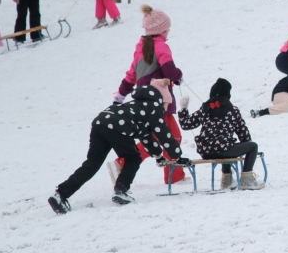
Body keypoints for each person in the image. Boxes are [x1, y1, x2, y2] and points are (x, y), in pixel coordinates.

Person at [47, 80, 193, 214]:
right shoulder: (154, 107)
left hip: (101, 121)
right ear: (161, 101)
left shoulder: (136, 105)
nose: (166, 109)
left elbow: (146, 137)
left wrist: (159, 156)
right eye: (166, 105)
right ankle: (120, 191)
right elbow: (164, 135)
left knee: (92, 164)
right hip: (118, 126)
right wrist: (177, 156)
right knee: (133, 158)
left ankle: (60, 194)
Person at [110, 5, 187, 184]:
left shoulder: (141, 48)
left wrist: (121, 95)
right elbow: (168, 68)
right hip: (161, 102)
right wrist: (178, 76)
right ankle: (173, 176)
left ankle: (123, 164)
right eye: (167, 29)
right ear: (161, 30)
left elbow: (131, 76)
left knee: (156, 137)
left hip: (144, 103)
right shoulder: (161, 46)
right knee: (172, 137)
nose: (168, 32)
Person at [178, 78, 264, 190]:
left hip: (205, 151)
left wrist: (183, 109)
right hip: (224, 149)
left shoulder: (204, 109)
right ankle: (246, 178)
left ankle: (226, 180)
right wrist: (245, 147)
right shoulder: (232, 110)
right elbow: (244, 135)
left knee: (225, 144)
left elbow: (186, 125)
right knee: (246, 146)